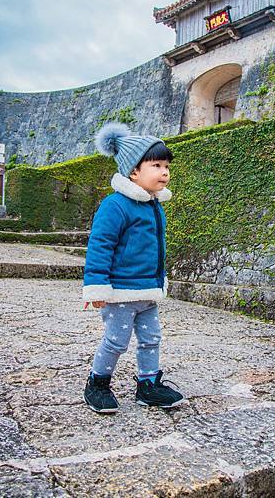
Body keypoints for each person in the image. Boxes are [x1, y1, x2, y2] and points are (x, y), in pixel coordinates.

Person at [82, 122, 184, 413]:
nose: (164, 172)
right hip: (121, 292)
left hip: (147, 291)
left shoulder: (154, 205)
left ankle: (148, 385)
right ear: (134, 171)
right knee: (116, 341)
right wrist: (97, 286)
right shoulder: (116, 206)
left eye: (166, 166)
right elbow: (100, 245)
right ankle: (97, 383)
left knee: (152, 338)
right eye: (156, 165)